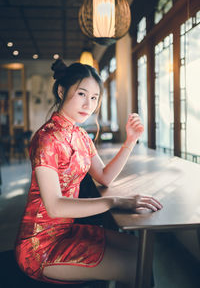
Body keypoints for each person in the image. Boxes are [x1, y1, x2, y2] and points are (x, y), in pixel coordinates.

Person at [15, 58, 162, 287]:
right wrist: (114, 201)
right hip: (40, 245)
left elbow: (104, 175)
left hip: (67, 229)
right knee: (135, 266)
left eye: (94, 98)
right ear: (62, 91)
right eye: (82, 94)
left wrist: (131, 140)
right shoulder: (47, 139)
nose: (88, 104)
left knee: (140, 250)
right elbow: (54, 206)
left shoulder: (80, 135)